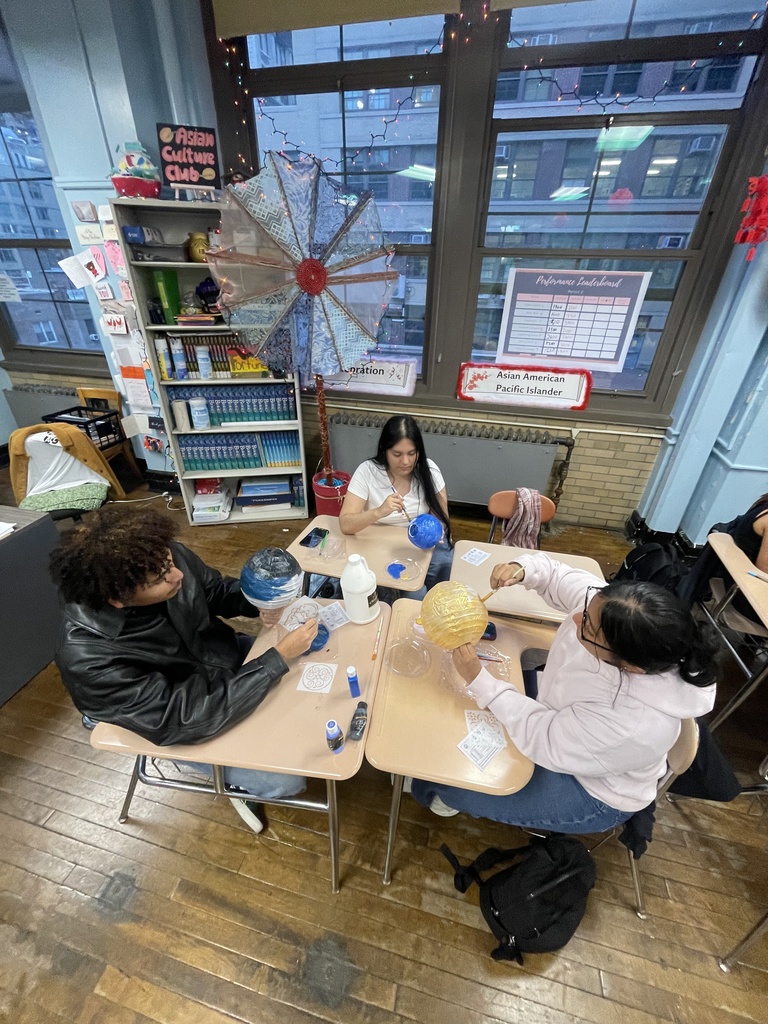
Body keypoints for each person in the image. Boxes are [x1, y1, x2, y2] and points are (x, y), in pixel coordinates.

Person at [49, 505, 318, 835]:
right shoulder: (88, 658)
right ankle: (236, 785)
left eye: (171, 563)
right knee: (286, 780)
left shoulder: (159, 558)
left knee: (309, 683)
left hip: (225, 662)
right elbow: (188, 718)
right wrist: (275, 659)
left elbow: (214, 590)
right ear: (118, 599)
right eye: (161, 578)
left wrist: (258, 600)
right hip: (187, 718)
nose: (176, 575)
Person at [411, 552, 719, 830]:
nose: (575, 618)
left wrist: (479, 680)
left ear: (631, 666)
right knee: (461, 718)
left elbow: (542, 736)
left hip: (592, 791)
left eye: (587, 627)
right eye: (587, 608)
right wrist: (523, 569)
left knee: (450, 784)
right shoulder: (610, 612)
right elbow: (558, 576)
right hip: (559, 715)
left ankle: (438, 795)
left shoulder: (635, 724)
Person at [339, 415, 453, 599]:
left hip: (419, 547)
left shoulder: (429, 470)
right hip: (379, 543)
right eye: (397, 454)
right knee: (415, 592)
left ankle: (434, 603)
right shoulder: (367, 471)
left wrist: (432, 533)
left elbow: (442, 519)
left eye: (412, 453)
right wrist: (378, 512)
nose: (406, 462)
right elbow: (345, 524)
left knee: (444, 564)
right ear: (384, 450)